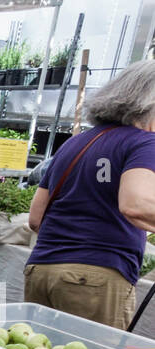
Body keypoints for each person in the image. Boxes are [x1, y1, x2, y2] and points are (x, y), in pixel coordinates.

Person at [26, 60, 155, 329]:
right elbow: (136, 205)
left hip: (42, 270)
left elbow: (36, 218)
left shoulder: (76, 142)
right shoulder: (144, 143)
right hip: (94, 277)